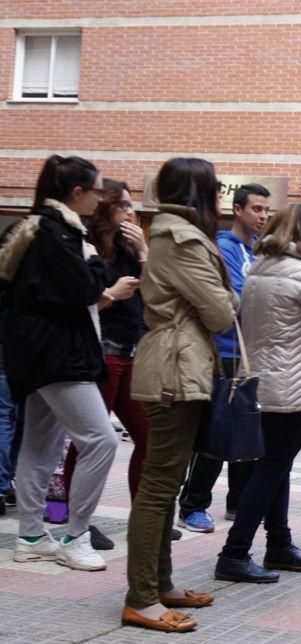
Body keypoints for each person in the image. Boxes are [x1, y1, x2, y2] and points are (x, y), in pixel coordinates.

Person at [123, 158, 238, 632]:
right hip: (174, 367)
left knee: (166, 483)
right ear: (201, 192)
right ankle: (141, 597)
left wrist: (212, 300)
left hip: (180, 362)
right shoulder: (183, 239)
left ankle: (160, 584)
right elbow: (222, 311)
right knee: (157, 487)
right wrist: (221, 299)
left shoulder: (172, 234)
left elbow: (211, 304)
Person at [0, 155, 120, 571]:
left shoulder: (36, 228)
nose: (100, 198)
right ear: (76, 193)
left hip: (37, 354)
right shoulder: (59, 234)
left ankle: (31, 535)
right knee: (101, 441)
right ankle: (75, 536)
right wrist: (96, 265)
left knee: (40, 445)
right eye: (97, 190)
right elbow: (84, 288)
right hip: (59, 355)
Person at [215, 203, 301, 582]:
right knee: (272, 466)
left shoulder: (256, 270)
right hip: (297, 382)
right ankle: (234, 552)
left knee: (274, 464)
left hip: (261, 381)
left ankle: (279, 545)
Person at [61, 179, 154, 549]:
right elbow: (80, 304)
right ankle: (77, 521)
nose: (131, 212)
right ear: (106, 210)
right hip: (100, 352)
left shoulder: (131, 249)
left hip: (131, 352)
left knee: (147, 436)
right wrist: (110, 296)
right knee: (90, 440)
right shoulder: (89, 247)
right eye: (125, 205)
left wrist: (145, 251)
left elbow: (155, 295)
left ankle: (143, 516)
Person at [178, 183, 269, 532]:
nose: (262, 216)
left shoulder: (256, 253)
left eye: (266, 210)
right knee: (216, 431)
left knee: (246, 430)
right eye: (256, 209)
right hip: (224, 352)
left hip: (250, 355)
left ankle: (239, 502)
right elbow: (238, 297)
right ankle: (193, 505)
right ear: (239, 210)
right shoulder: (224, 248)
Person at [0, 222, 24, 516]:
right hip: (17, 348)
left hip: (9, 348)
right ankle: (5, 482)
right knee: (16, 419)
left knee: (8, 417)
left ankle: (5, 483)